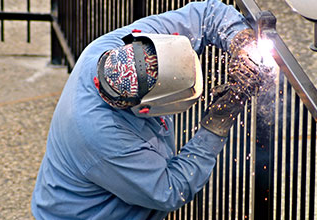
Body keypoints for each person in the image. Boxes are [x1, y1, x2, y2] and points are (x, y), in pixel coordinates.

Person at [31, 0, 266, 219]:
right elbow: (170, 190)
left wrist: (241, 44)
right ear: (145, 109)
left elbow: (206, 13)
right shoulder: (103, 137)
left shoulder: (118, 46)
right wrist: (217, 122)